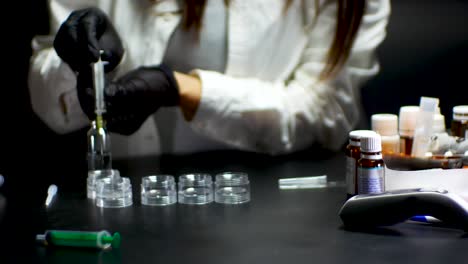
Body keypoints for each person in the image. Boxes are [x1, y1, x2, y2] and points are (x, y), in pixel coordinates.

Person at [28, 0, 390, 158]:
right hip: (132, 205)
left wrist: (181, 89)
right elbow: (51, 102)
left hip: (274, 213)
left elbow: (325, 111)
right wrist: (73, 63)